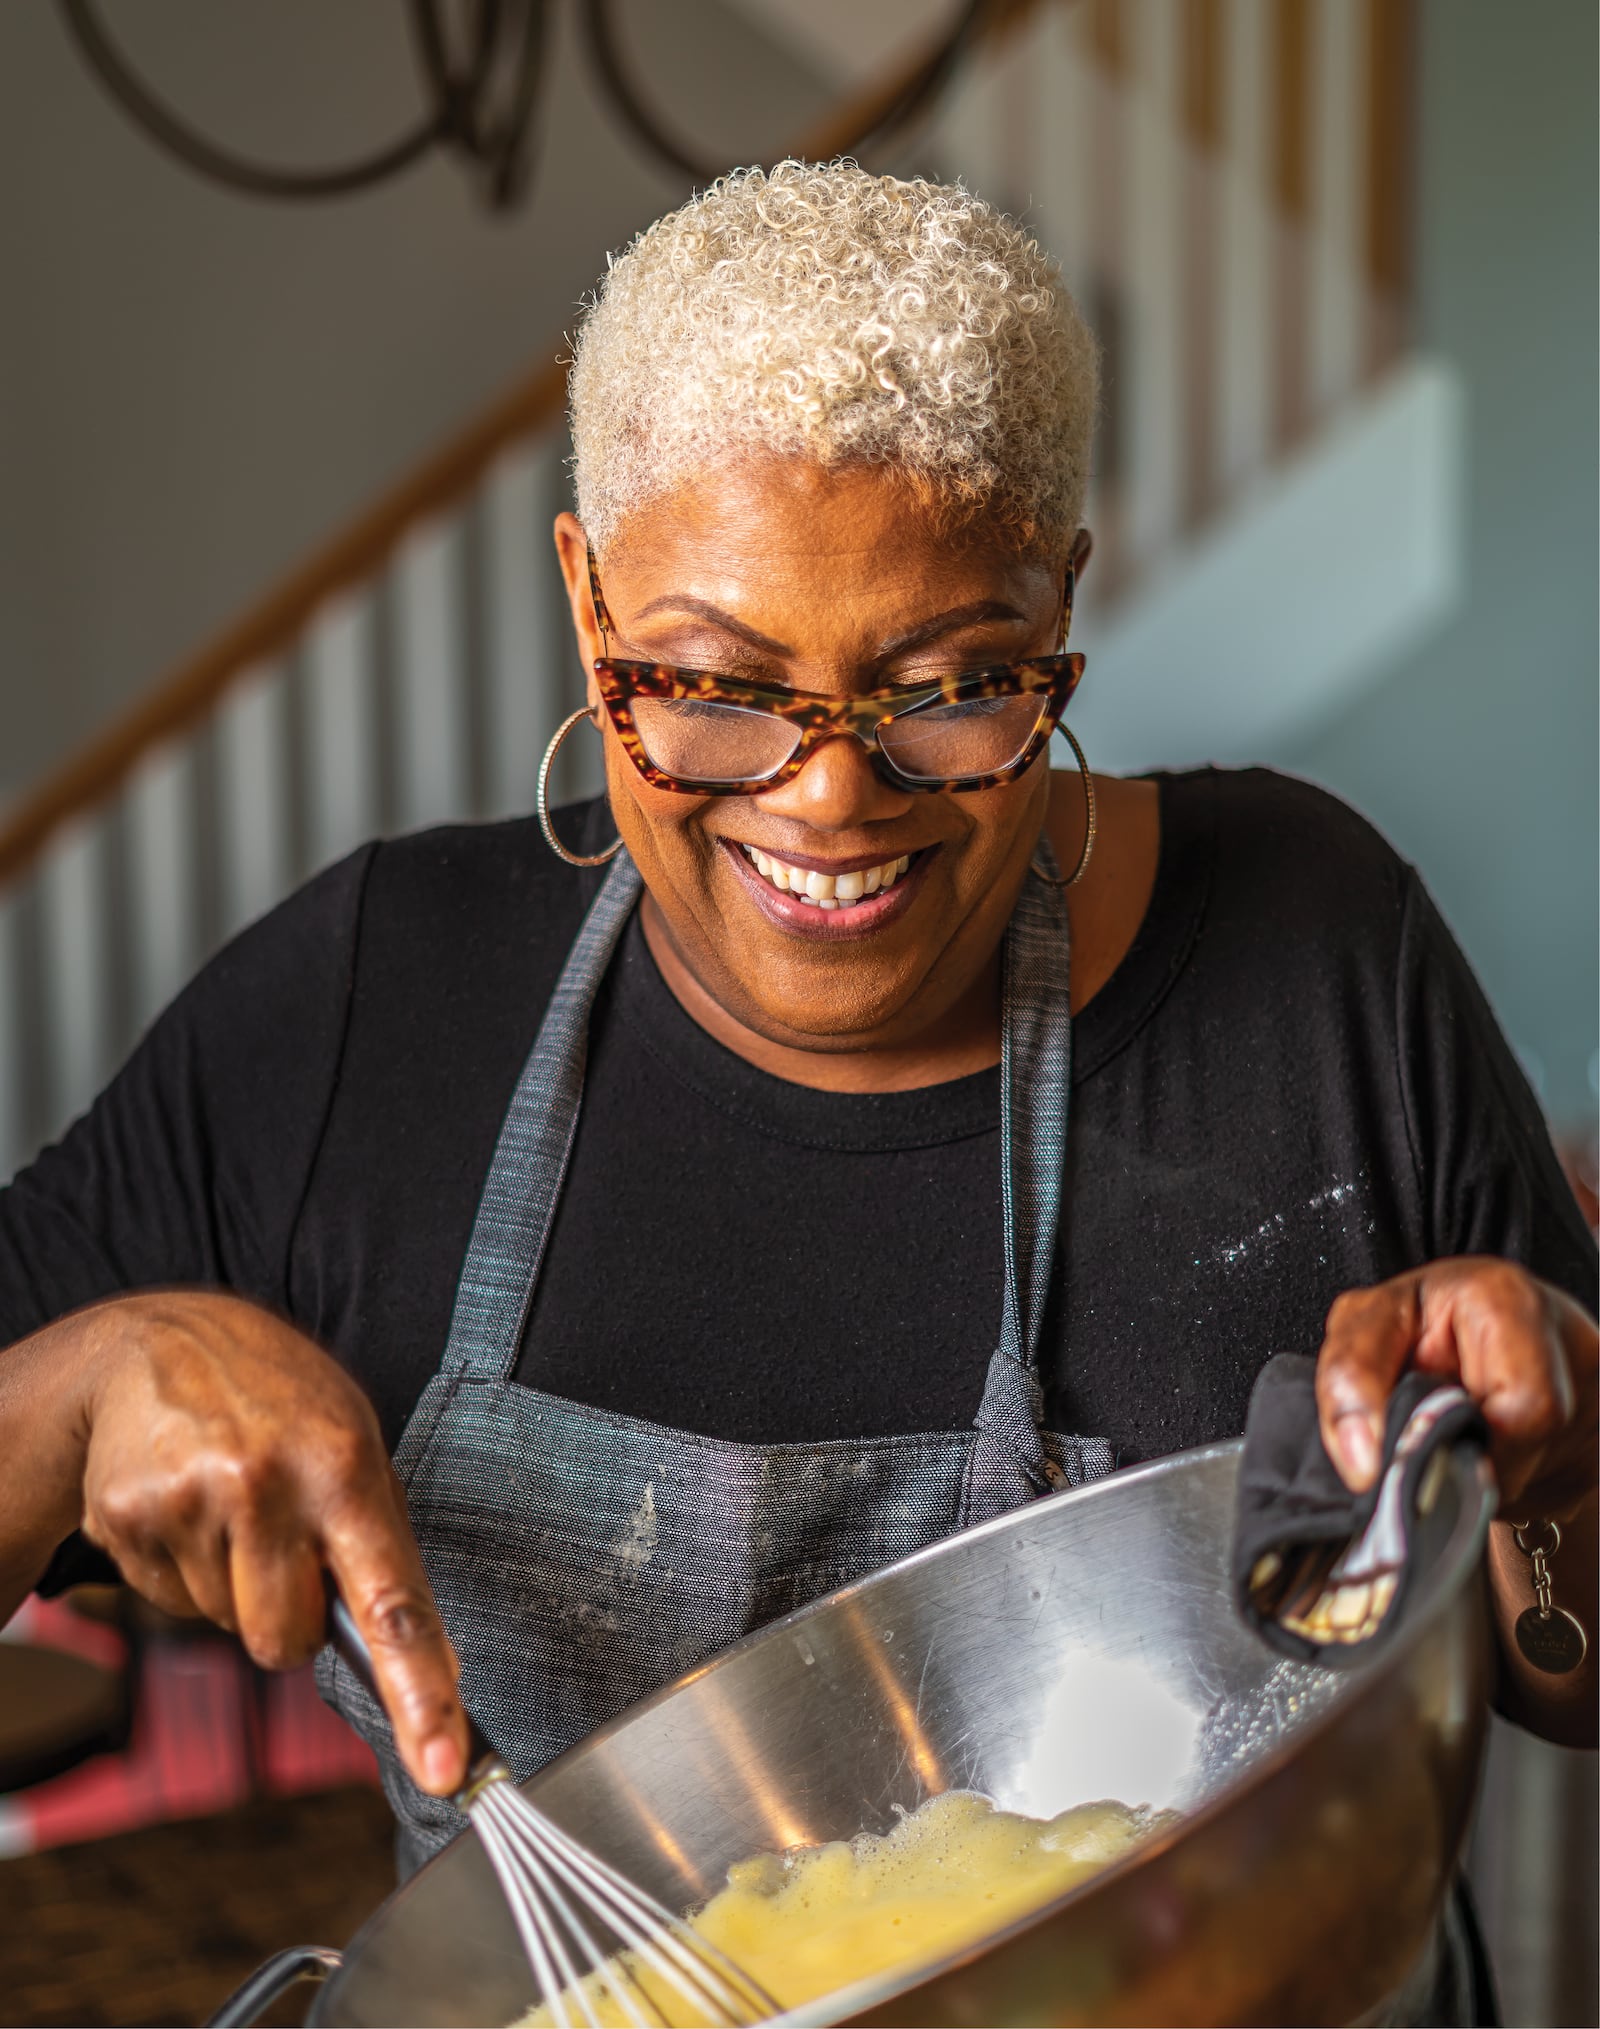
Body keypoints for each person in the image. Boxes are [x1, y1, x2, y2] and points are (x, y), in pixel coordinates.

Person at [0, 162, 1593, 1890]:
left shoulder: (1314, 953)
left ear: (1061, 602)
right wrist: (81, 1388)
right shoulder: (374, 1003)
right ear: (587, 598)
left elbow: (1566, 1661)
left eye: (950, 685)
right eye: (708, 682)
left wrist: (1565, 1447)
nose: (831, 795)